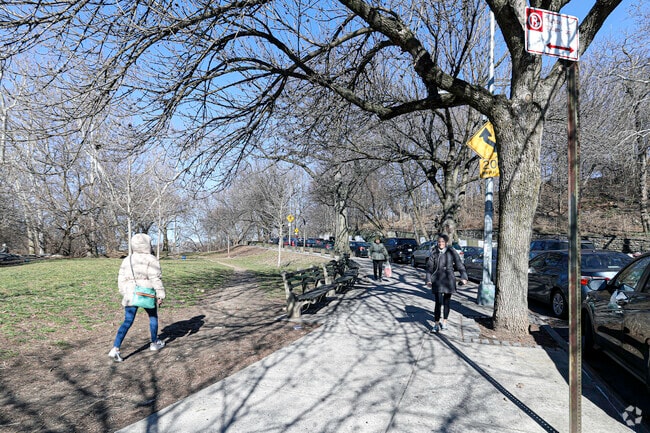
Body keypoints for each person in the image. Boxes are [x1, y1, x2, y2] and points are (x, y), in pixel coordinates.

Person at [108, 233, 166, 362]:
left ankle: (115, 348)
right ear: (148, 244)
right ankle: (154, 343)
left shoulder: (127, 259)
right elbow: (155, 278)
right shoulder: (151, 259)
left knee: (127, 321)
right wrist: (160, 294)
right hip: (147, 293)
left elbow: (121, 277)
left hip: (130, 294)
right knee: (153, 317)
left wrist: (124, 291)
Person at [425, 234, 468, 332]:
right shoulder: (434, 252)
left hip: (449, 279)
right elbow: (429, 268)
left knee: (447, 302)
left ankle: (444, 322)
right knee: (438, 302)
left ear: (446, 243)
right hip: (437, 280)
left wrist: (464, 276)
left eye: (443, 242)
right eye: (439, 242)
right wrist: (428, 279)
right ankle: (436, 324)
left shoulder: (451, 251)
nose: (441, 244)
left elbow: (459, 264)